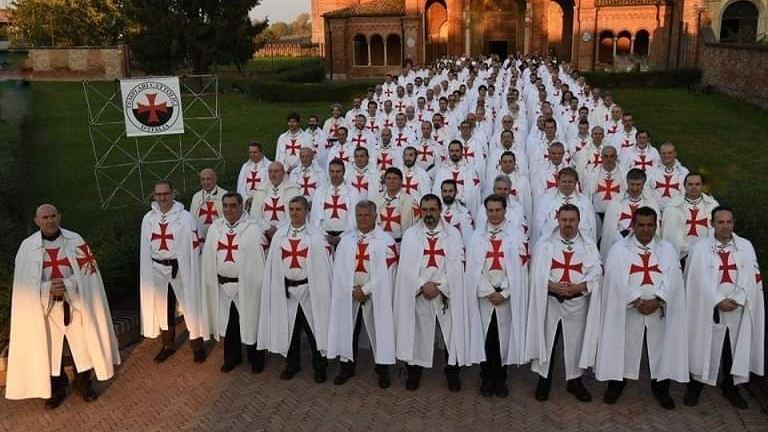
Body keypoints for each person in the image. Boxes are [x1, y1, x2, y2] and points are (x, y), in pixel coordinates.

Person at [6, 204, 120, 407]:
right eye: (44, 217)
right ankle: (56, 390)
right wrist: (47, 288)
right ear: (36, 221)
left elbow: (88, 275)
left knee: (82, 346)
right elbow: (24, 284)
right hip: (46, 309)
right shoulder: (27, 247)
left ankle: (83, 385)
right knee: (50, 350)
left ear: (59, 217)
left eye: (53, 216)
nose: (49, 221)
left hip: (74, 304)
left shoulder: (75, 240)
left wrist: (68, 284)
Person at [596, 207, 688, 410]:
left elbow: (673, 278)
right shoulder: (619, 249)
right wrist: (636, 300)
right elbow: (615, 279)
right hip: (629, 309)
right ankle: (616, 385)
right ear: (633, 225)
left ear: (657, 226)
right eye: (641, 225)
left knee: (660, 349)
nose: (645, 230)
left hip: (658, 309)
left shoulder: (667, 249)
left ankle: (661, 388)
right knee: (623, 347)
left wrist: (658, 299)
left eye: (650, 225)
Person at [684, 206, 765, 409]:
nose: (725, 226)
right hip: (708, 309)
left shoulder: (746, 246)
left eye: (729, 222)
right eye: (720, 222)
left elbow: (752, 277)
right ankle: (695, 386)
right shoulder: (700, 248)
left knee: (732, 348)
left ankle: (730, 387)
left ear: (734, 223)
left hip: (737, 308)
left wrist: (737, 298)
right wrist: (718, 299)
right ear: (712, 223)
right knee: (703, 345)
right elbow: (697, 279)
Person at [394, 194, 471, 391]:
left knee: (450, 336)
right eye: (425, 210)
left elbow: (457, 264)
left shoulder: (453, 234)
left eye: (432, 210)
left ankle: (452, 372)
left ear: (439, 211)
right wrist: (422, 285)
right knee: (417, 333)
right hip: (420, 293)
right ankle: (414, 372)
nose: (429, 214)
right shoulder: (411, 235)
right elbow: (406, 268)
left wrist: (441, 286)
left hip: (444, 293)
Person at [525, 204, 601, 403]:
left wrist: (580, 287)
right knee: (548, 341)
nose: (568, 224)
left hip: (577, 302)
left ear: (578, 221)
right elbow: (536, 273)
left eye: (572, 220)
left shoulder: (588, 245)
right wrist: (550, 285)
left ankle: (575, 382)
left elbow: (597, 272)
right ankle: (544, 381)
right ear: (558, 220)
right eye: (564, 220)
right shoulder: (545, 244)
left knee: (575, 343)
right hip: (551, 301)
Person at [259, 196, 331, 383]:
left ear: (307, 211)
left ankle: (319, 367)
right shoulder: (280, 235)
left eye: (298, 209)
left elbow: (323, 266)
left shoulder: (316, 235)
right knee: (288, 328)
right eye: (291, 209)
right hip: (287, 290)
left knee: (315, 329)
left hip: (309, 289)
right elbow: (273, 265)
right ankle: (292, 364)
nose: (294, 213)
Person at [326, 201, 398, 388]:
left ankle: (382, 370)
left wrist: (365, 290)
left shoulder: (386, 241)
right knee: (348, 329)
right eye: (359, 215)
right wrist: (352, 289)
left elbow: (386, 272)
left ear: (375, 216)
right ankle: (346, 368)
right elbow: (339, 269)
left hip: (375, 294)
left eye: (366, 215)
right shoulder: (347, 240)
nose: (362, 219)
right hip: (350, 293)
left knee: (379, 331)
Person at [465, 195, 528, 398]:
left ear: (504, 210)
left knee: (503, 339)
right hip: (485, 296)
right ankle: (486, 377)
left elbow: (521, 267)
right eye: (490, 210)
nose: (494, 214)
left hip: (506, 297)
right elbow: (472, 268)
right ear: (485, 211)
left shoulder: (516, 236)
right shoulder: (476, 237)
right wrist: (488, 290)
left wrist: (506, 292)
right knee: (486, 338)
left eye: (497, 210)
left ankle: (501, 378)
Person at [139, 180, 206, 363]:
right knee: (163, 307)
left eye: (166, 194)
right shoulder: (148, 219)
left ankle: (197, 346)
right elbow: (145, 247)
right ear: (154, 196)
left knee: (190, 304)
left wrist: (191, 267)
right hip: (157, 269)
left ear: (173, 194)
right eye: (159, 194)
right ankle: (167, 345)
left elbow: (193, 246)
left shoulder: (184, 218)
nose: (163, 198)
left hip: (180, 267)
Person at [200, 192, 267, 373]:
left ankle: (256, 359)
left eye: (233, 206)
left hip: (246, 286)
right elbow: (209, 257)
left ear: (241, 206)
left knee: (251, 321)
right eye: (226, 205)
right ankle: (232, 358)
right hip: (223, 286)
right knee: (229, 324)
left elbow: (258, 258)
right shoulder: (215, 228)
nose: (228, 209)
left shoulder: (253, 228)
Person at [599, 168, 660, 258]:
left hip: (642, 243)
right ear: (627, 182)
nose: (634, 188)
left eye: (638, 184)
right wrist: (621, 240)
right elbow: (610, 229)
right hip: (619, 243)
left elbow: (655, 228)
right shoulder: (616, 202)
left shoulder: (651, 203)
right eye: (632, 184)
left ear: (643, 184)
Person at [661, 172, 719, 262]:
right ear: (684, 186)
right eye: (690, 184)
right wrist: (688, 250)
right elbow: (670, 235)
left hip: (706, 254)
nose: (694, 187)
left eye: (697, 184)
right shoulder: (672, 207)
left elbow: (718, 231)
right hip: (681, 256)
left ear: (702, 186)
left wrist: (701, 250)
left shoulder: (712, 206)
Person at [532, 167, 596, 245]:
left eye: (570, 182)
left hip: (579, 246)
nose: (567, 184)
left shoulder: (585, 202)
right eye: (564, 181)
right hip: (552, 245)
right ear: (558, 182)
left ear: (576, 183)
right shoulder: (546, 200)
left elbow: (592, 229)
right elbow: (538, 227)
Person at [310, 158, 361, 248]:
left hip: (347, 238)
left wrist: (341, 237)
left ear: (344, 173)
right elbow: (315, 217)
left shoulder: (353, 192)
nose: (335, 174)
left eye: (338, 171)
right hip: (324, 238)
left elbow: (354, 219)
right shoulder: (320, 192)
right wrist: (324, 235)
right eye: (332, 171)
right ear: (328, 172)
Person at [249, 162, 300, 244]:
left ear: (283, 173)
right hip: (264, 234)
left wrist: (277, 228)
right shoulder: (260, 190)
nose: (273, 175)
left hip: (286, 234)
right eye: (270, 171)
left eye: (276, 171)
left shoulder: (293, 190)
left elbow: (296, 215)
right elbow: (255, 216)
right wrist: (267, 229)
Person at [431, 140, 481, 219]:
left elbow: (474, 196)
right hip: (444, 213)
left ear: (462, 151)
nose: (454, 153)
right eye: (452, 151)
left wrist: (460, 202)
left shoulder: (470, 172)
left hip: (464, 213)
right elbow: (437, 193)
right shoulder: (442, 171)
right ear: (449, 152)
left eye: (457, 151)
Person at [372, 167, 418, 244]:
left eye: (395, 178)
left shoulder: (410, 202)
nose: (391, 181)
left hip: (400, 244)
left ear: (401, 181)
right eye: (388, 178)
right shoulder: (375, 200)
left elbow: (414, 227)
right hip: (379, 244)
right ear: (385, 181)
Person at [645, 142, 689, 208]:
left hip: (677, 209)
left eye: (669, 153)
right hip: (655, 210)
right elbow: (646, 192)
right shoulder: (650, 171)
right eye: (663, 153)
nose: (666, 156)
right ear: (659, 154)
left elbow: (687, 193)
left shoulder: (684, 172)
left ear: (675, 154)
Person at [190, 168, 226, 243]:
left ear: (215, 179)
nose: (206, 182)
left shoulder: (225, 196)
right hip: (200, 240)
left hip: (219, 239)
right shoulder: (196, 197)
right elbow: (192, 219)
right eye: (203, 179)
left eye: (209, 179)